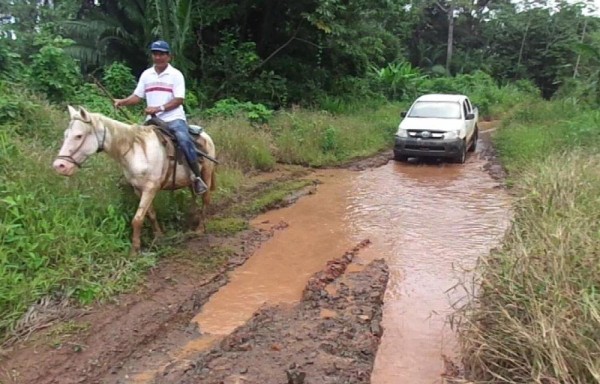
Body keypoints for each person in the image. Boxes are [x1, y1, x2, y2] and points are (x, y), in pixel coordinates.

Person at [114, 40, 207, 195]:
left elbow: (179, 99)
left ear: (168, 56)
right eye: (155, 54)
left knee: (183, 139)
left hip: (174, 118)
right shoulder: (146, 74)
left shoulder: (176, 75)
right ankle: (133, 177)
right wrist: (122, 102)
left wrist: (159, 108)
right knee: (132, 143)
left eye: (162, 54)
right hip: (152, 121)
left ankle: (196, 177)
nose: (158, 57)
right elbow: (137, 96)